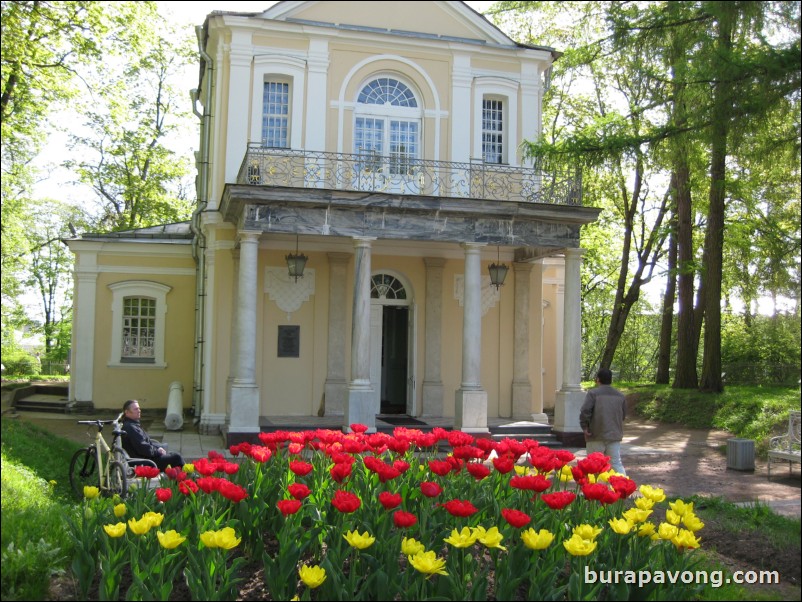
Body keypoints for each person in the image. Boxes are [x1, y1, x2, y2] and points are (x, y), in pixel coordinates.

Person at [579, 368, 627, 475]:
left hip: (596, 434)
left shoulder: (593, 394)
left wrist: (585, 427)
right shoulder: (620, 396)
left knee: (594, 464)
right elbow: (623, 415)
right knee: (616, 463)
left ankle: (596, 489)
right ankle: (622, 486)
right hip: (614, 435)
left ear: (598, 379)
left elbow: (585, 411)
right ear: (611, 380)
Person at [120, 399, 185, 472]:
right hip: (144, 462)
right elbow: (142, 447)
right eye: (136, 409)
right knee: (176, 458)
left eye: (139, 408)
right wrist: (157, 451)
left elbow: (144, 443)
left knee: (166, 448)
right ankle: (187, 479)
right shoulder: (130, 428)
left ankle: (178, 480)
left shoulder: (132, 425)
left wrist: (158, 448)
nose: (139, 411)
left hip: (145, 457)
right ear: (127, 412)